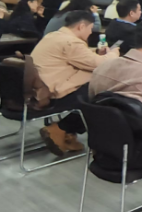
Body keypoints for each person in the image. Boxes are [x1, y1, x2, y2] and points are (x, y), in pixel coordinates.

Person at [32, 11, 120, 155]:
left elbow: (79, 55)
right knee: (104, 96)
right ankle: (62, 129)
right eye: (90, 28)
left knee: (98, 89)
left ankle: (67, 132)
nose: (91, 32)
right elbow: (100, 63)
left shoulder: (53, 36)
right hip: (55, 93)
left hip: (40, 90)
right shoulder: (71, 42)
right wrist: (114, 53)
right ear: (81, 26)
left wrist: (96, 51)